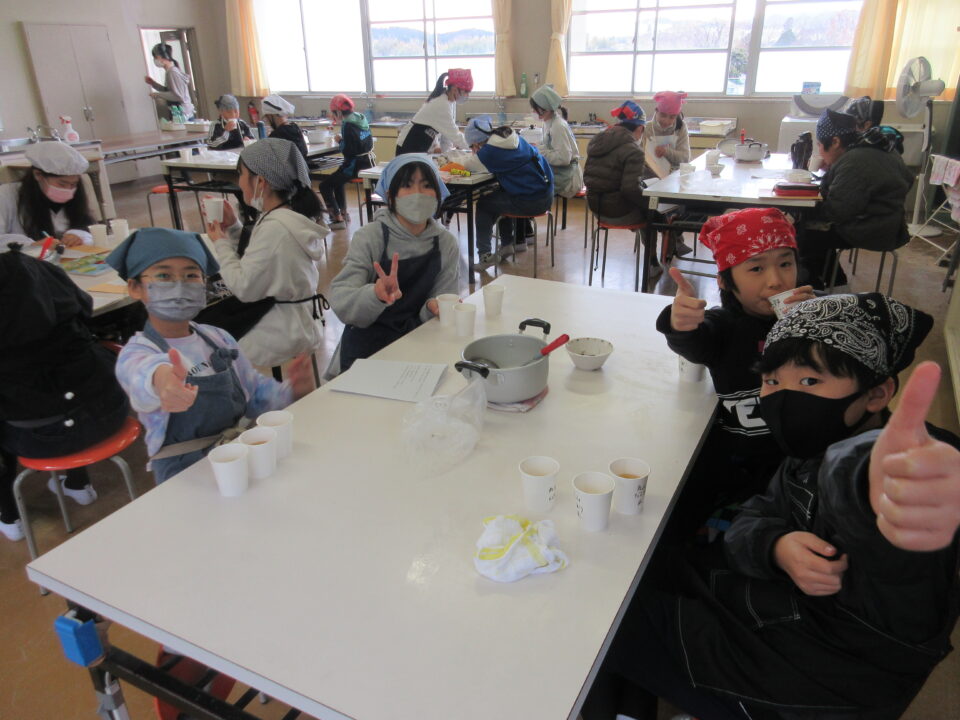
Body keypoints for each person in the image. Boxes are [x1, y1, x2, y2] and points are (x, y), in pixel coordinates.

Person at [583, 293, 960, 720]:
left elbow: (875, 502)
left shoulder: (893, 475)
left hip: (820, 677)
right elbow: (756, 514)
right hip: (777, 617)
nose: (784, 398)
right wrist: (776, 547)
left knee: (606, 621)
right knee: (634, 574)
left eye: (810, 382)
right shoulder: (811, 448)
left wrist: (879, 478)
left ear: (877, 394)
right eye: (773, 381)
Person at [106, 228, 313, 483]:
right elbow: (142, 375)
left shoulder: (218, 338)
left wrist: (292, 392)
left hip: (235, 458)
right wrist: (163, 381)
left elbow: (255, 393)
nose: (179, 285)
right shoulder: (136, 352)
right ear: (135, 288)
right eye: (164, 276)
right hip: (182, 475)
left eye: (191, 275)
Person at [656, 208, 815, 538]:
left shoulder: (816, 318)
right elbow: (697, 343)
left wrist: (814, 325)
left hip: (802, 468)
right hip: (737, 468)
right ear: (725, 281)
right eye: (756, 268)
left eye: (786, 263)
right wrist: (680, 324)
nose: (776, 280)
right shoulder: (725, 327)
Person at [0, 248, 130, 541]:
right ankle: (78, 483)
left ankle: (9, 514)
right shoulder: (33, 267)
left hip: (42, 438)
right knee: (67, 377)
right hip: (110, 409)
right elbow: (86, 308)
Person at [327, 154, 459, 376]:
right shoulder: (370, 237)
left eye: (427, 185)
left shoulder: (445, 243)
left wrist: (433, 307)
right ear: (390, 196)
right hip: (366, 350)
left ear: (438, 193)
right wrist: (375, 295)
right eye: (407, 185)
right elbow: (342, 300)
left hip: (418, 344)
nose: (417, 194)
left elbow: (444, 296)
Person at [205, 139, 330, 370]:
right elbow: (262, 258)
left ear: (260, 181)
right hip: (299, 318)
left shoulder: (276, 227)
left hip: (281, 328)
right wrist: (234, 228)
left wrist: (220, 242)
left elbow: (243, 287)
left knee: (205, 344)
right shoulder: (288, 216)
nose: (239, 182)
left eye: (241, 174)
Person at [799, 109, 913, 289]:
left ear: (835, 142)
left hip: (872, 230)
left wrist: (803, 208)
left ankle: (820, 290)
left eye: (819, 145)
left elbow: (837, 211)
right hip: (891, 223)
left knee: (803, 233)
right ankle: (836, 284)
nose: (819, 152)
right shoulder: (876, 147)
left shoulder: (854, 161)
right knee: (811, 229)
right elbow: (909, 179)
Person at [459, 116, 554, 268]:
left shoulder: (490, 152)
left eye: (472, 147)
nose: (473, 150)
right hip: (546, 195)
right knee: (501, 193)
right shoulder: (512, 137)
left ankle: (484, 255)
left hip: (532, 202)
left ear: (476, 143)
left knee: (483, 204)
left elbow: (467, 166)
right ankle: (506, 245)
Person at [583, 101, 660, 278]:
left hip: (596, 208)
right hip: (619, 212)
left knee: (646, 204)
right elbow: (630, 190)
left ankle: (656, 259)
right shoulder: (634, 150)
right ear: (640, 128)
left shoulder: (597, 142)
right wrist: (650, 203)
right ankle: (653, 262)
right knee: (653, 211)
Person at [0, 142, 95, 246]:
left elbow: (86, 226)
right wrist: (31, 245)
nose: (68, 189)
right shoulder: (6, 195)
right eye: (62, 184)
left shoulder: (76, 197)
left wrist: (78, 235)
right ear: (38, 175)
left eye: (73, 184)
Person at [319, 94, 375, 230]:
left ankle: (337, 218)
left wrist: (340, 141)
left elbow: (348, 150)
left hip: (354, 167)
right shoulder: (361, 118)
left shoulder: (347, 124)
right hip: (367, 162)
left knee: (324, 186)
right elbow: (359, 142)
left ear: (338, 112)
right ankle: (343, 214)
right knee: (337, 182)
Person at [395, 69, 472, 155]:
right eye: (466, 92)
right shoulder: (441, 104)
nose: (467, 96)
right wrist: (475, 147)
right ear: (455, 88)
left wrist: (447, 155)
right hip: (409, 145)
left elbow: (447, 136)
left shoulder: (449, 101)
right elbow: (455, 135)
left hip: (419, 145)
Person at [529, 85, 583, 199]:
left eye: (535, 108)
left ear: (546, 108)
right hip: (561, 173)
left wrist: (540, 151)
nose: (533, 111)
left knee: (530, 185)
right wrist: (538, 148)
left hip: (568, 179)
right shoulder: (548, 122)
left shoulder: (558, 126)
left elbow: (563, 158)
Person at [144, 43, 195, 120]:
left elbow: (177, 96)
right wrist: (153, 83)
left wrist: (158, 94)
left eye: (156, 57)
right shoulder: (170, 72)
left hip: (183, 114)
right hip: (180, 113)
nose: (155, 60)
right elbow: (168, 90)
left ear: (162, 57)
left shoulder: (172, 72)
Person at [645, 90, 690, 172]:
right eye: (663, 115)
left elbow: (685, 158)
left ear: (677, 116)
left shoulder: (681, 127)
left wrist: (666, 152)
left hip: (675, 173)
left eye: (672, 117)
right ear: (656, 111)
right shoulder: (647, 128)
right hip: (652, 174)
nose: (666, 121)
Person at [261, 94, 308, 161]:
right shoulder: (294, 127)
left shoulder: (276, 135)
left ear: (271, 116)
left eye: (266, 117)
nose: (266, 121)